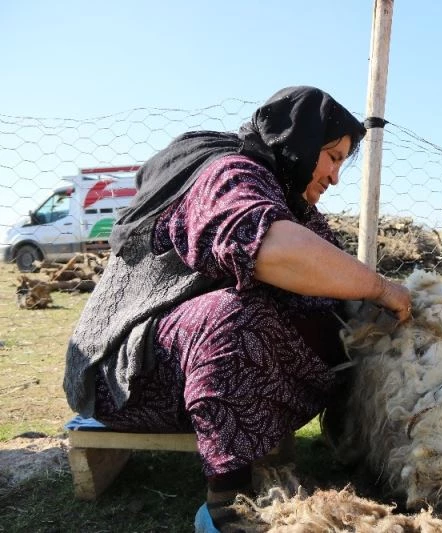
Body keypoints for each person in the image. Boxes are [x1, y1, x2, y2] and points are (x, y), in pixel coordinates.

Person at [62, 86, 412, 532]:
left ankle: (346, 438)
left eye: (342, 161)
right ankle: (230, 502)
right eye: (331, 156)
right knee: (233, 317)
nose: (335, 175)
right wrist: (380, 287)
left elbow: (337, 284)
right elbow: (265, 246)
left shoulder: (292, 202)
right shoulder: (227, 174)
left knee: (332, 318)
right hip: (125, 377)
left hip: (183, 367)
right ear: (297, 142)